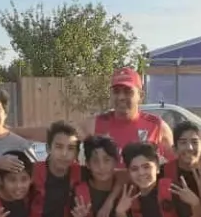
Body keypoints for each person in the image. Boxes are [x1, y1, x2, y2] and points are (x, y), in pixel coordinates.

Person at [18, 68, 174, 160]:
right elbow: (56, 133)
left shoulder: (157, 126)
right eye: (116, 91)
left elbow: (176, 165)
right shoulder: (96, 124)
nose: (121, 97)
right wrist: (10, 131)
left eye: (128, 91)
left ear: (141, 95)